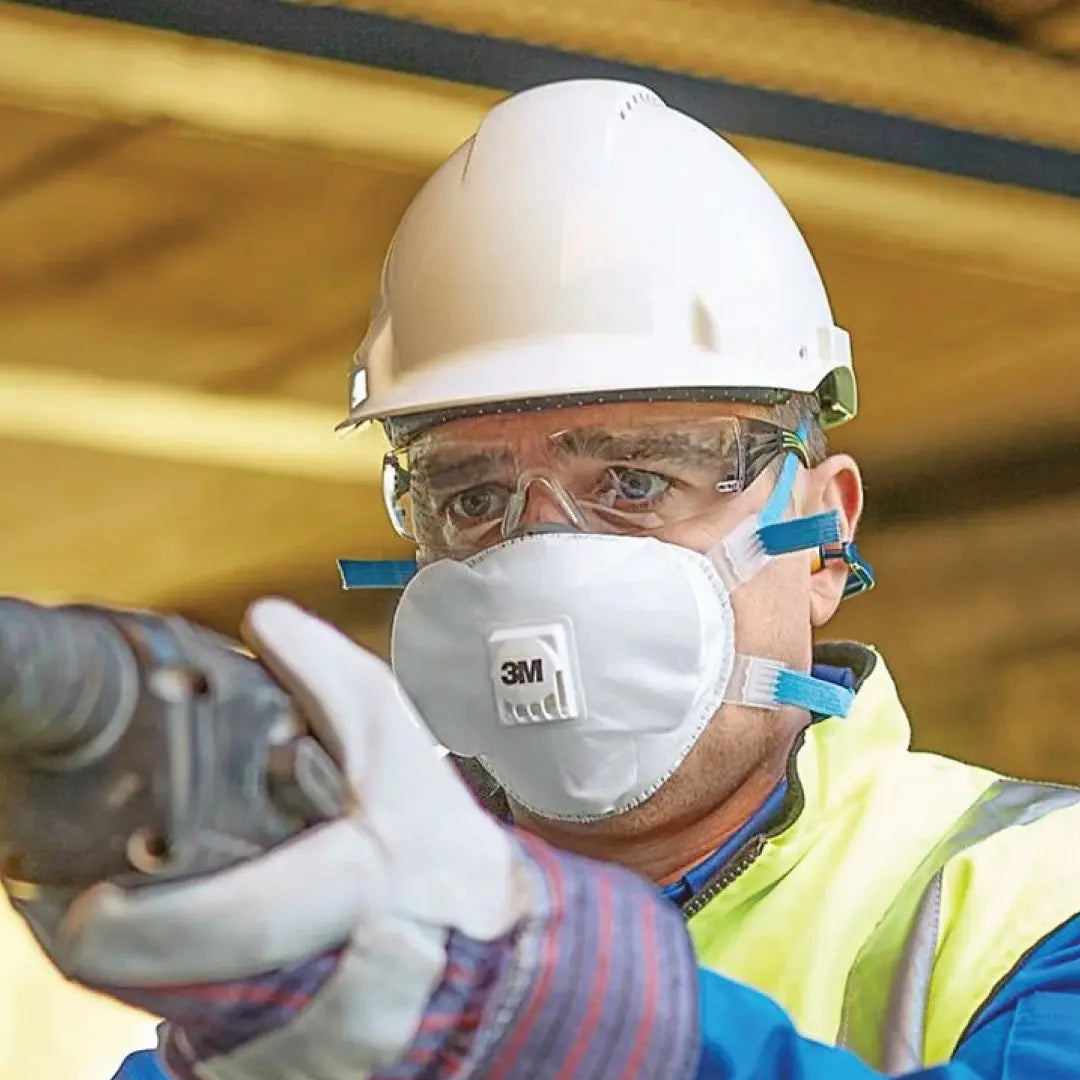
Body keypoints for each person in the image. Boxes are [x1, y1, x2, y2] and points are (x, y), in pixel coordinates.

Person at [7, 79, 1080, 1080]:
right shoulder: (323, 977)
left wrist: (526, 1006)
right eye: (472, 498)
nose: (542, 559)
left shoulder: (1038, 901)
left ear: (824, 538)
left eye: (636, 477)